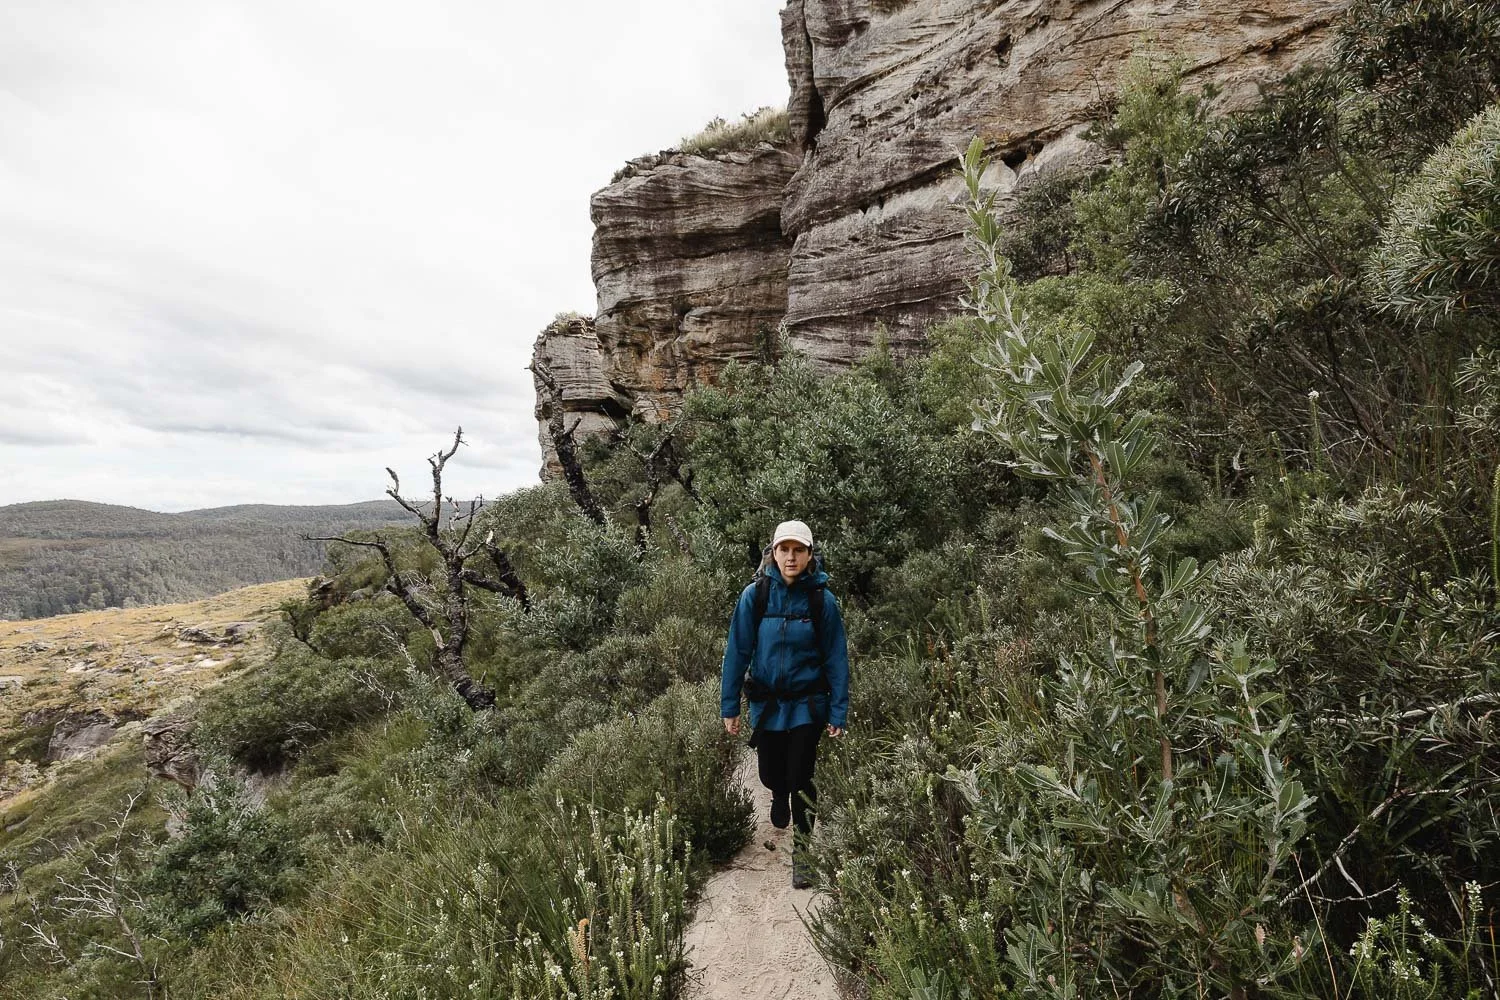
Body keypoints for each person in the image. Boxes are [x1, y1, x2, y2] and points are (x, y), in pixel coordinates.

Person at [720, 519, 850, 889]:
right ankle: (777, 794)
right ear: (772, 553)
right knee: (771, 775)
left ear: (810, 555)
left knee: (802, 778)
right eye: (784, 549)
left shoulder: (822, 600)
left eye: (798, 550)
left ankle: (804, 854)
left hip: (808, 705)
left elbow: (836, 658)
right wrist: (730, 706)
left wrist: (838, 709)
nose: (791, 557)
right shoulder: (755, 596)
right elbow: (737, 651)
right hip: (767, 705)